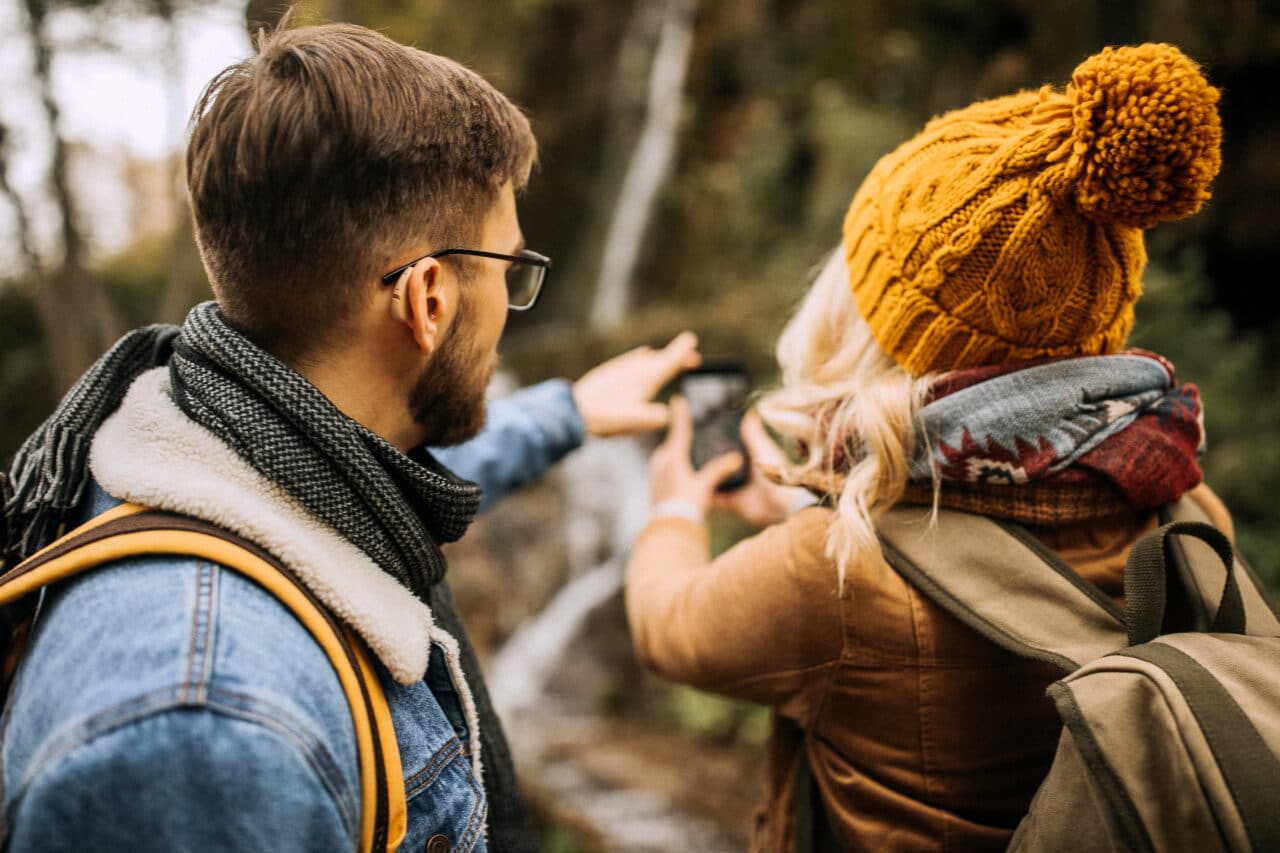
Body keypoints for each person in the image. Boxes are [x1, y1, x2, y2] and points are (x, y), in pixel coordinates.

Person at [0, 21, 701, 853]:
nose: (512, 311)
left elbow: (428, 464)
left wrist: (571, 412)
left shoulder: (205, 442)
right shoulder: (207, 729)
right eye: (511, 275)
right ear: (428, 301)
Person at [625, 43, 1226, 852]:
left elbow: (669, 627)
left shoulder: (831, 573)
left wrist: (672, 505)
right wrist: (800, 505)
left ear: (877, 328)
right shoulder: (1179, 501)